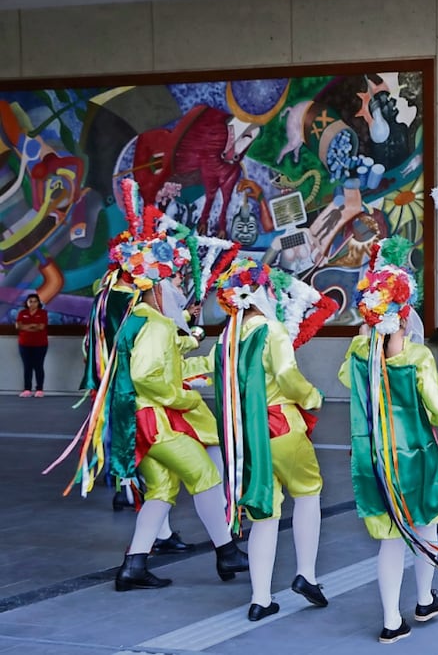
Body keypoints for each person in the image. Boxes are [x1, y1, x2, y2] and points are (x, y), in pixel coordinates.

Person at [340, 240, 438, 643]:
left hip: (372, 458)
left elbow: (346, 381)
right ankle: (423, 599)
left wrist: (366, 339)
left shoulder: (357, 355)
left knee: (388, 539)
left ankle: (390, 620)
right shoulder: (416, 358)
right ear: (402, 317)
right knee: (425, 524)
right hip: (414, 456)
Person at [104, 229, 247, 591]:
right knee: (205, 477)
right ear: (153, 288)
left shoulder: (134, 320)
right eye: (168, 284)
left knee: (161, 491)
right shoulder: (154, 324)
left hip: (139, 420)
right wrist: (184, 399)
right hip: (157, 420)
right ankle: (227, 550)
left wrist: (209, 368)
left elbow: (165, 367)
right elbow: (147, 375)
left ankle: (133, 566)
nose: (172, 291)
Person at [209, 259, 328, 622]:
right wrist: (311, 397)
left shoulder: (226, 337)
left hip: (248, 436)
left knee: (265, 513)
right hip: (281, 426)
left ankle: (260, 598)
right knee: (308, 492)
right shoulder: (273, 331)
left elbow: (210, 369)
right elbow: (286, 374)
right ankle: (306, 574)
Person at [16, 292, 48, 397]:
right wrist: (33, 326)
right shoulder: (22, 313)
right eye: (30, 301)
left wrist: (26, 326)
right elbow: (18, 326)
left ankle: (39, 389)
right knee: (27, 367)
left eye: (35, 301)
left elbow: (41, 327)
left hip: (40, 344)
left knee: (38, 366)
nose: (33, 303)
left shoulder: (42, 313)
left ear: (38, 303)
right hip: (24, 344)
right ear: (27, 303)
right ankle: (27, 389)